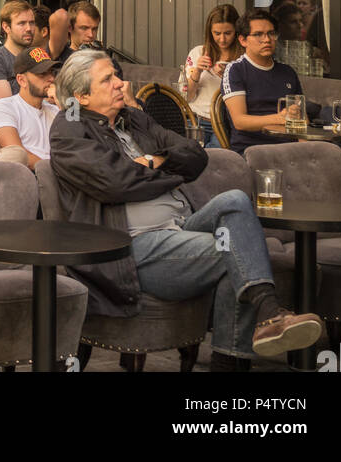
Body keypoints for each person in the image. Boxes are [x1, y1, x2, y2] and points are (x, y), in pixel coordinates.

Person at [50, 48, 323, 367]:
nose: (120, 84)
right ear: (81, 97)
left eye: (116, 75)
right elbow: (117, 182)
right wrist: (168, 169)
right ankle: (264, 318)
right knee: (238, 251)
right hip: (131, 248)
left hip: (180, 228)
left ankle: (264, 318)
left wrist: (154, 162)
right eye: (107, 79)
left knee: (234, 200)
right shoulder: (69, 130)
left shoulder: (133, 118)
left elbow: (195, 154)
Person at [220, 9, 310, 156]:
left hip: (289, 149)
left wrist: (307, 153)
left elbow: (303, 120)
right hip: (253, 150)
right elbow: (239, 121)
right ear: (243, 40)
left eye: (271, 33)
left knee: (333, 155)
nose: (267, 40)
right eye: (258, 34)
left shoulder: (287, 72)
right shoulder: (235, 70)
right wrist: (279, 118)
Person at [0, 51, 60, 167]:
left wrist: (64, 100)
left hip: (55, 176)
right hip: (21, 178)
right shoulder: (3, 107)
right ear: (21, 80)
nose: (50, 78)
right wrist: (58, 170)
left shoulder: (55, 110)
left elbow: (77, 137)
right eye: (42, 74)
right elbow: (17, 155)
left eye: (51, 72)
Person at [184, 4, 240, 145]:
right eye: (217, 33)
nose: (222, 39)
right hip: (194, 120)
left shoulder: (243, 58)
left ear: (237, 31)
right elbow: (186, 97)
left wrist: (230, 77)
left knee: (215, 158)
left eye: (228, 33)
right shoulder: (198, 53)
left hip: (224, 123)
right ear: (210, 32)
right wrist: (197, 71)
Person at [0, 0, 36, 104]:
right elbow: (7, 107)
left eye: (32, 23)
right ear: (6, 27)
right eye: (22, 23)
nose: (29, 28)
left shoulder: (37, 56)